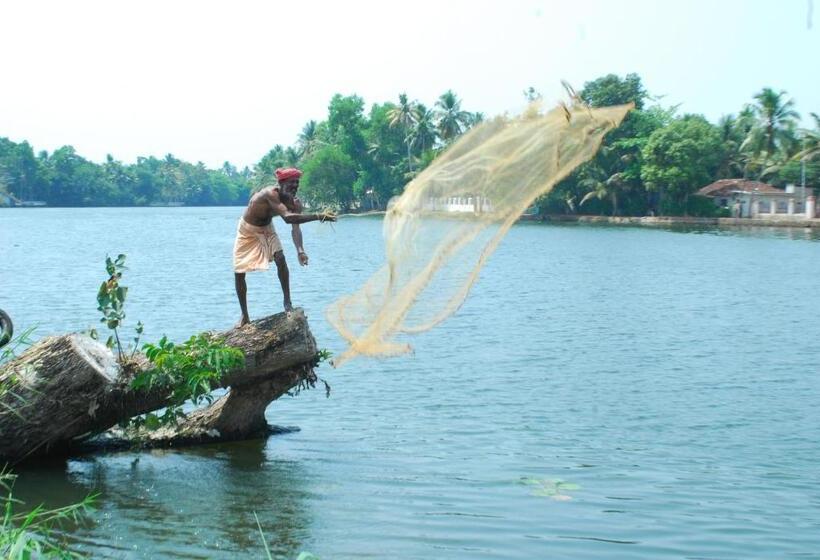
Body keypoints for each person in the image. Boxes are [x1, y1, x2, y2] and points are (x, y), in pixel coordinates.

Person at [233, 167, 335, 325]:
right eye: (291, 183)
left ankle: (287, 304)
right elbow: (288, 218)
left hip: (267, 228)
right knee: (239, 272)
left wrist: (300, 251)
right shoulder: (270, 194)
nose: (295, 187)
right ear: (281, 184)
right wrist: (318, 216)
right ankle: (245, 315)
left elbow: (295, 228)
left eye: (297, 183)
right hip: (247, 229)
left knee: (281, 259)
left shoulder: (295, 203)